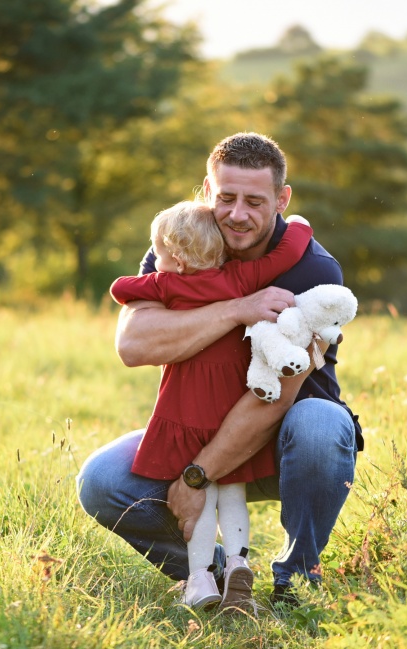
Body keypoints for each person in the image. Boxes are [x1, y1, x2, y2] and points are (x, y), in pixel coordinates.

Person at [77, 132, 363, 609]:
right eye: (226, 197)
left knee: (321, 425)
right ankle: (213, 572)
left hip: (283, 440)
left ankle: (296, 580)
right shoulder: (178, 245)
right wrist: (236, 310)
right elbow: (133, 343)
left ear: (281, 199)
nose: (237, 214)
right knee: (102, 480)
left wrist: (196, 478)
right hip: (194, 426)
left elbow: (275, 398)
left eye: (255, 201)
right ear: (208, 191)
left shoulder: (312, 271)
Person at [109, 199, 313, 610]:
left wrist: (155, 281)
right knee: (231, 491)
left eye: (159, 253)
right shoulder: (242, 278)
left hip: (185, 410)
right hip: (231, 416)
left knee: (199, 504)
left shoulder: (166, 283)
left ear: (179, 260)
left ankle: (200, 578)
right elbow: (289, 250)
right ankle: (239, 561)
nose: (155, 261)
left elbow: (120, 289)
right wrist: (298, 224)